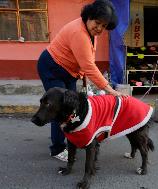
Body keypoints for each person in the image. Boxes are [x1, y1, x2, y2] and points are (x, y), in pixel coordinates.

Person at [36, 0, 127, 162]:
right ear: (89, 16)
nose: (99, 28)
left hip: (68, 70)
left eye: (104, 26)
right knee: (59, 107)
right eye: (97, 23)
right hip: (51, 67)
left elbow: (86, 59)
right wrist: (110, 90)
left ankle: (71, 137)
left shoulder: (91, 33)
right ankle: (57, 148)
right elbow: (89, 65)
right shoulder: (79, 32)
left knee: (72, 104)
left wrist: (84, 80)